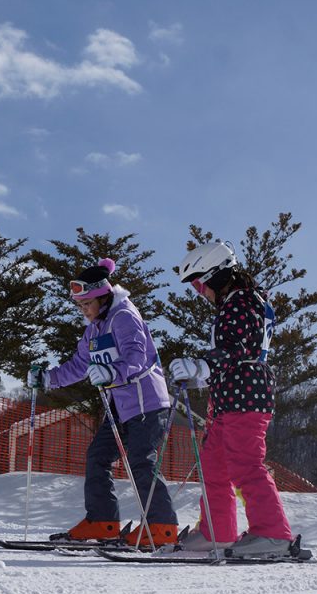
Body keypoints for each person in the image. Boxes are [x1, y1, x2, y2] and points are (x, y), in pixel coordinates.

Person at [28, 258, 179, 547]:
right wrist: (47, 379)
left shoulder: (124, 316)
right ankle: (102, 522)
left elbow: (137, 356)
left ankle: (162, 526)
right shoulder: (95, 329)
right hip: (120, 409)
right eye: (80, 306)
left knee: (140, 461)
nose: (84, 310)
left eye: (87, 304)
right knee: (97, 456)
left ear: (103, 296)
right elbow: (78, 365)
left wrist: (112, 372)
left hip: (146, 402)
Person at [169, 239, 293, 557]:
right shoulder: (238, 302)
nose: (200, 292)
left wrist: (202, 365)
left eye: (199, 284)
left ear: (216, 275)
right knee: (214, 466)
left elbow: (237, 347)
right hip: (228, 395)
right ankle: (217, 532)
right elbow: (234, 351)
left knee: (245, 463)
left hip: (246, 393)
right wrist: (200, 374)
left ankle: (273, 534)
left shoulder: (242, 301)